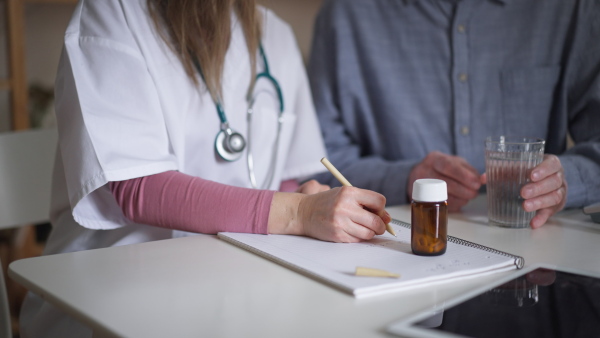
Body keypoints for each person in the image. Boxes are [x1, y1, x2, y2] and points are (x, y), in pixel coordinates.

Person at [20, 0, 392, 336]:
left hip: (239, 283)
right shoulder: (112, 12)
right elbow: (138, 190)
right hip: (116, 290)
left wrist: (300, 198)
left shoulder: (274, 33)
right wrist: (297, 210)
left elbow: (282, 173)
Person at [308, 0, 600, 228]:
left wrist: (565, 181)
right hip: (396, 248)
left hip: (541, 250)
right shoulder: (346, 14)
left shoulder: (569, 9)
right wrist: (405, 180)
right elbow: (317, 162)